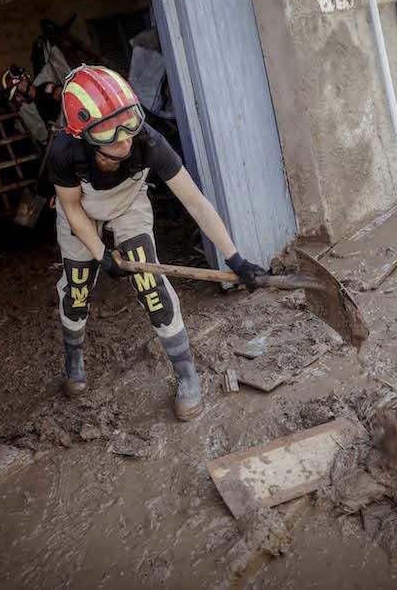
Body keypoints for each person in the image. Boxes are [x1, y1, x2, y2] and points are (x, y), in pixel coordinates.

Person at [48, 64, 266, 421]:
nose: (125, 141)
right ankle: (73, 357)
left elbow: (195, 201)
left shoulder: (148, 142)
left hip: (128, 204)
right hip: (82, 213)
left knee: (152, 287)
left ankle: (186, 373)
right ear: (84, 137)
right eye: (111, 138)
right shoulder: (63, 150)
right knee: (76, 291)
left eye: (129, 130)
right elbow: (71, 209)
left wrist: (235, 258)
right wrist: (102, 255)